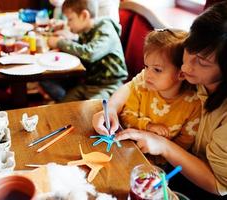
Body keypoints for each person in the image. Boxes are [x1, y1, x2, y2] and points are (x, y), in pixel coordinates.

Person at [92, 1, 227, 199]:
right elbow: (133, 84)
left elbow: (219, 185)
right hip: (164, 165)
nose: (185, 67)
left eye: (202, 62)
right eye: (189, 50)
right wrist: (111, 108)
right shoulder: (188, 74)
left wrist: (161, 144)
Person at [120, 29, 201, 155]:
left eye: (157, 70)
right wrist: (148, 126)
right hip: (128, 148)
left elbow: (185, 142)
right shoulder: (142, 86)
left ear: (181, 74)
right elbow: (126, 117)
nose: (147, 74)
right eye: (146, 67)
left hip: (161, 164)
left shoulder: (193, 104)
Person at [42, 0, 128, 102]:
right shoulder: (86, 30)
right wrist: (69, 39)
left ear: (84, 15)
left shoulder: (106, 28)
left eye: (70, 19)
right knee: (63, 106)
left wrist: (59, 43)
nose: (68, 25)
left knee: (89, 110)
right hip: (89, 84)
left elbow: (90, 53)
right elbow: (83, 45)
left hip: (109, 86)